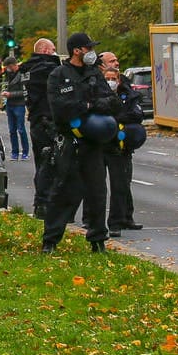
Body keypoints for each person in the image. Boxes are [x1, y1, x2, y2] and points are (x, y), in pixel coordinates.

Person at [41, 32, 118, 255]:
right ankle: (51, 241)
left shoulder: (95, 73)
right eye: (88, 48)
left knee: (97, 192)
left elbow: (111, 103)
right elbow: (60, 109)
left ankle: (97, 240)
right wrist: (87, 105)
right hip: (69, 143)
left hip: (92, 144)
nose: (91, 53)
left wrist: (88, 105)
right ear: (77, 50)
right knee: (63, 192)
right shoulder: (59, 75)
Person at [99, 52, 143, 237]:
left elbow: (136, 114)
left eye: (113, 79)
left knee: (120, 185)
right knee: (96, 187)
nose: (110, 81)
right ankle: (93, 221)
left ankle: (117, 222)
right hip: (100, 145)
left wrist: (117, 118)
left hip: (119, 146)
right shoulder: (97, 94)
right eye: (107, 78)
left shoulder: (127, 94)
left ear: (118, 80)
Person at [20, 37, 61, 218]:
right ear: (45, 51)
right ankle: (44, 204)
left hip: (36, 120)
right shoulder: (45, 68)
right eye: (52, 50)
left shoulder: (27, 69)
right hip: (47, 121)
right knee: (49, 163)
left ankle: (42, 203)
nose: (54, 53)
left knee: (41, 163)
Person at [1, 56, 29, 160]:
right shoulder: (8, 75)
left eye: (8, 67)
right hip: (10, 105)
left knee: (21, 129)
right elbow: (6, 85)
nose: (7, 69)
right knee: (12, 130)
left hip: (19, 104)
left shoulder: (22, 74)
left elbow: (24, 91)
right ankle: (15, 152)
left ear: (12, 65)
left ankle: (25, 152)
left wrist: (10, 94)